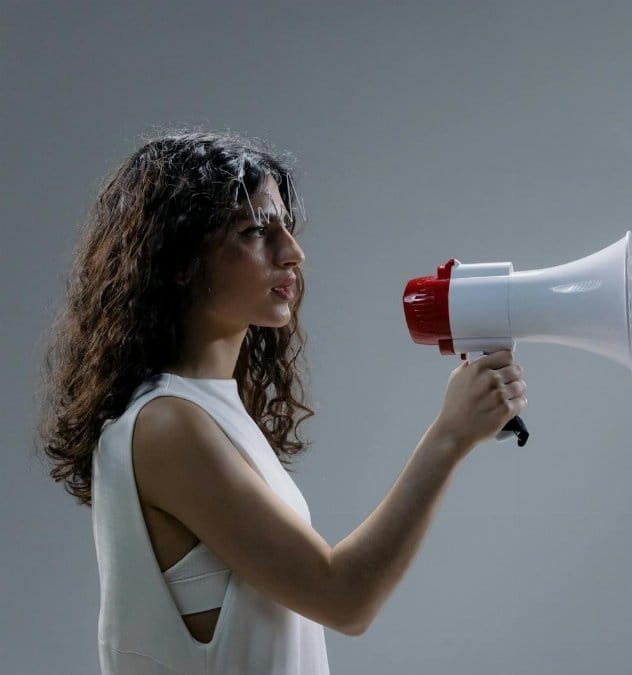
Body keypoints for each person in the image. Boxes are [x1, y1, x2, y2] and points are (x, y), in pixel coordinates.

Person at [35, 129, 528, 674]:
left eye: (286, 229)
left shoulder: (205, 411)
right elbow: (343, 597)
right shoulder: (167, 425)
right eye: (254, 231)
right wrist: (450, 437)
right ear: (177, 260)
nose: (292, 253)